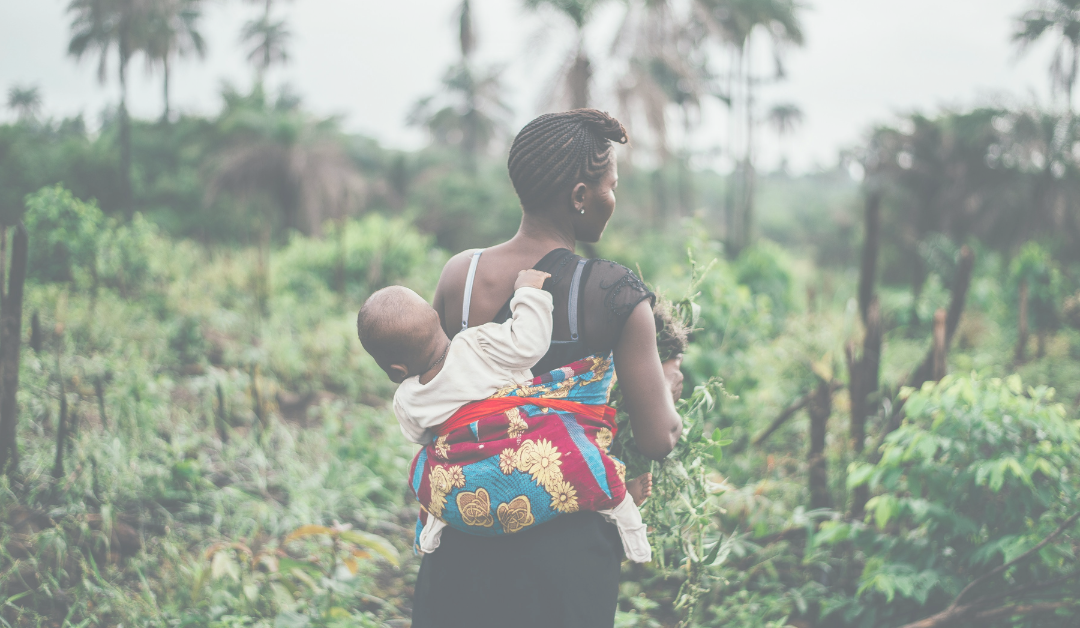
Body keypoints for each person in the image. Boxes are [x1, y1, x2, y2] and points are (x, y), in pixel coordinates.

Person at [410, 109, 684, 628]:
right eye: (610, 186)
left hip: (463, 533)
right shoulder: (613, 292)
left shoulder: (460, 277)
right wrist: (666, 383)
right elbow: (657, 439)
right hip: (565, 557)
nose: (612, 200)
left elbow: (434, 389)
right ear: (580, 196)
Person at [356, 269, 652, 562]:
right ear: (436, 318)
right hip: (522, 453)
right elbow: (529, 344)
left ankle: (434, 524)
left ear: (396, 371)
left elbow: (422, 437)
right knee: (576, 455)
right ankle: (624, 511)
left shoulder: (407, 399)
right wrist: (528, 292)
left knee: (425, 467)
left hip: (467, 485)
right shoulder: (476, 343)